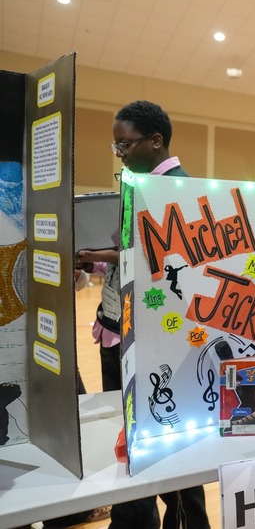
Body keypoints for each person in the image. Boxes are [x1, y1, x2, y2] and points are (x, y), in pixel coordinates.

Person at [76, 100, 211, 529]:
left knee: (174, 446)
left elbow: (166, 261)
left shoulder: (180, 188)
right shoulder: (139, 185)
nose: (121, 154)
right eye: (116, 147)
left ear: (156, 140)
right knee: (131, 443)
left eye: (125, 145)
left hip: (157, 342)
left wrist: (105, 252)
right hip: (119, 327)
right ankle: (136, 520)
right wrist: (98, 261)